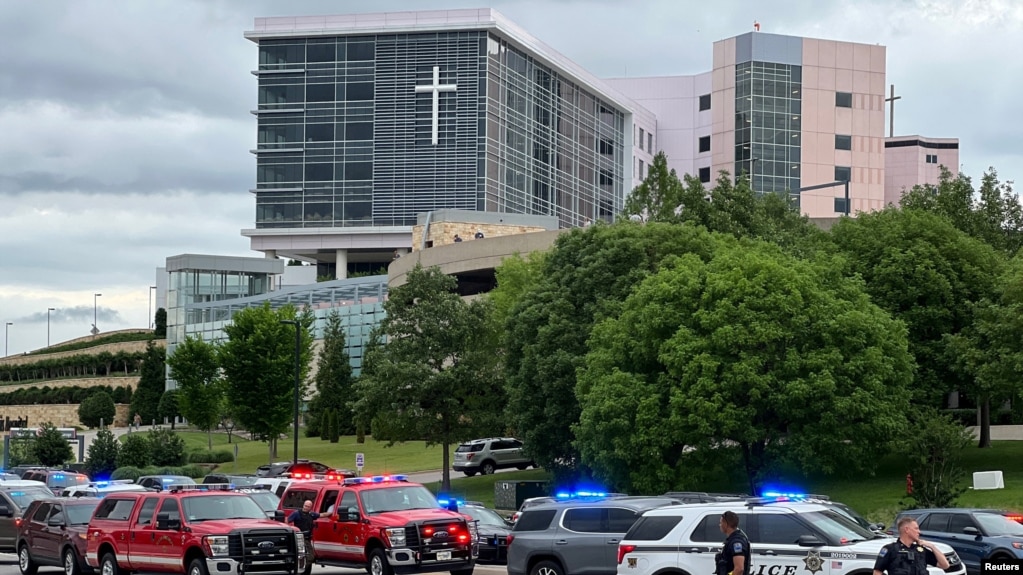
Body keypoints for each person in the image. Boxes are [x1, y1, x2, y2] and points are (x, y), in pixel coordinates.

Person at [873, 517, 949, 575]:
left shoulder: (920, 550)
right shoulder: (890, 549)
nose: (919, 532)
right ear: (907, 530)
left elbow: (945, 565)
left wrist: (932, 546)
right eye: (916, 528)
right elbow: (877, 572)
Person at [715, 511, 751, 575]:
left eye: (721, 523)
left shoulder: (736, 542)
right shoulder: (732, 540)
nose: (719, 525)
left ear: (726, 523)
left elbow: (739, 569)